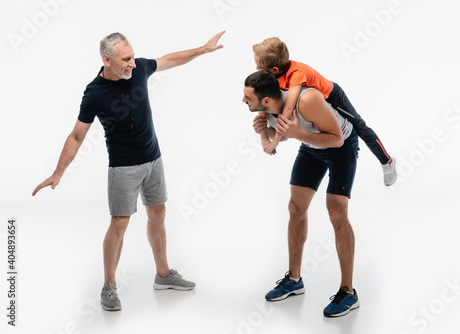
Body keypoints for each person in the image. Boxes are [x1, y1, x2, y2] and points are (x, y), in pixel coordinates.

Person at [32, 31, 225, 311]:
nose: (132, 63)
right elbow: (76, 136)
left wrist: (202, 50)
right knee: (120, 223)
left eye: (132, 56)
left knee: (158, 214)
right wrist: (58, 173)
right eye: (125, 59)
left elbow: (169, 59)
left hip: (153, 159)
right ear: (106, 60)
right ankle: (109, 286)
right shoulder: (95, 93)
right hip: (123, 167)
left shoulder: (139, 69)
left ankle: (163, 275)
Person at [242, 70, 360, 317]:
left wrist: (297, 134)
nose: (243, 101)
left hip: (341, 146)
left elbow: (336, 139)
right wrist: (264, 132)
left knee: (336, 211)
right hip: (311, 147)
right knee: (296, 207)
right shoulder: (266, 109)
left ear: (265, 99)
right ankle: (294, 280)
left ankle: (348, 292)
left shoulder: (307, 101)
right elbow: (276, 139)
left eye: (247, 97)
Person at [252, 37, 397, 186]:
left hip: (331, 97)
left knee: (360, 126)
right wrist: (265, 139)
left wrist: (274, 142)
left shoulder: (297, 72)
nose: (256, 69)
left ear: (274, 70)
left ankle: (387, 161)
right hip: (315, 104)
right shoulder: (270, 76)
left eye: (259, 66)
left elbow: (288, 109)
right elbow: (261, 104)